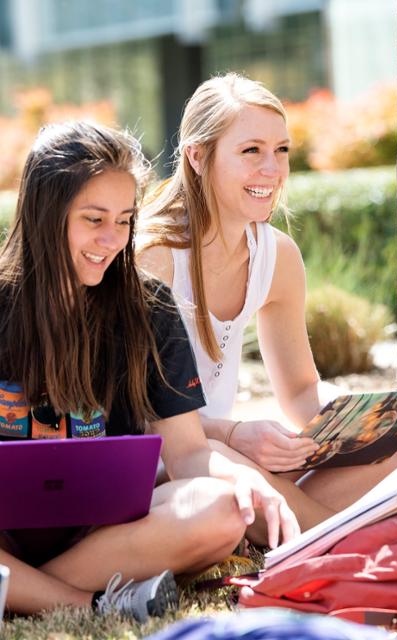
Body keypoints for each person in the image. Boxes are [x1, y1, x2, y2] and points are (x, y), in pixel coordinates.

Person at [0, 122, 297, 620]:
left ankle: (23, 591)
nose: (111, 240)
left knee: (222, 510)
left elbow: (187, 453)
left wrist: (242, 480)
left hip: (104, 536)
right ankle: (86, 603)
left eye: (123, 220)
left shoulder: (147, 306)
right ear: (44, 215)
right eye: (93, 219)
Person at [137, 73, 397, 532]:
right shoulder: (154, 258)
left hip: (235, 452)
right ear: (197, 157)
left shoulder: (276, 256)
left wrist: (371, 417)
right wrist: (237, 436)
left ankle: (304, 524)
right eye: (251, 151)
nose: (273, 169)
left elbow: (301, 392)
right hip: (178, 460)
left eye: (281, 150)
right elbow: (142, 420)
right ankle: (335, 532)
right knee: (227, 467)